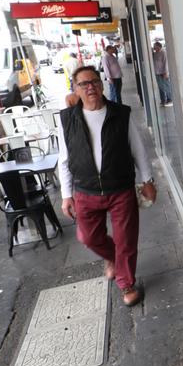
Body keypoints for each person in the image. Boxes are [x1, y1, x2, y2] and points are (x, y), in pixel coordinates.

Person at [58, 66, 156, 306]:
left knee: (126, 240)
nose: (90, 87)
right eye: (83, 84)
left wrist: (148, 180)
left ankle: (127, 284)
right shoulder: (67, 119)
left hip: (120, 188)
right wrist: (66, 194)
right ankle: (113, 259)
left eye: (94, 81)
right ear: (76, 89)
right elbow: (64, 158)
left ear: (102, 85)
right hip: (86, 190)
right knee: (87, 237)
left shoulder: (121, 114)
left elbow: (138, 149)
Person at [152, 42, 172, 106]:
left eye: (155, 46)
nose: (154, 48)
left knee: (166, 86)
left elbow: (165, 63)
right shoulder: (155, 54)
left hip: (163, 73)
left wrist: (166, 72)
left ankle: (170, 99)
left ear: (158, 46)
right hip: (157, 73)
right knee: (160, 87)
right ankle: (163, 100)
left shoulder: (163, 52)